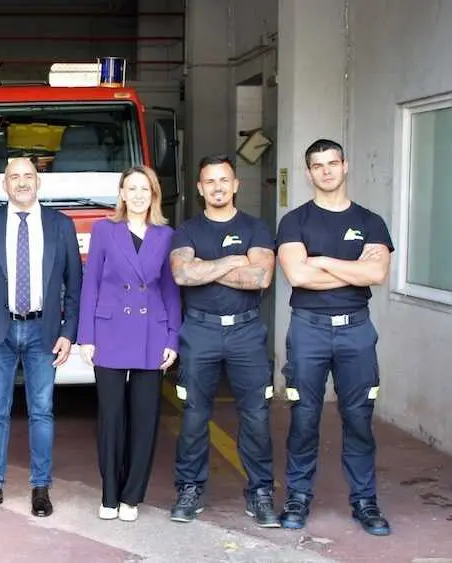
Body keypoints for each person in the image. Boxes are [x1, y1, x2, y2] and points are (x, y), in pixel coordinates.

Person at [276, 139, 393, 536]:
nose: (326, 171)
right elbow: (297, 276)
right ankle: (297, 497)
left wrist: (322, 260)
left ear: (346, 166)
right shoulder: (294, 222)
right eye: (317, 165)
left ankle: (365, 502)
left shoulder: (372, 221)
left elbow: (375, 275)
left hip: (357, 329)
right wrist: (351, 268)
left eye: (332, 163)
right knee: (304, 419)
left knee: (359, 419)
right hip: (308, 327)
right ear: (308, 173)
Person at [0, 157, 83, 518]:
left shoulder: (61, 225)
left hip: (42, 331)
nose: (21, 183)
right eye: (14, 177)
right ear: (4, 184)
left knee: (42, 412)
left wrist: (68, 332)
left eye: (27, 176)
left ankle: (40, 488)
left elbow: (74, 284)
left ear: (38, 182)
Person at [168, 155, 278, 527]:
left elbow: (261, 277)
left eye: (223, 180)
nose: (217, 187)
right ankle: (190, 489)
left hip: (246, 331)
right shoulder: (186, 231)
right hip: (199, 331)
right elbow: (182, 274)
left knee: (257, 416)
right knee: (195, 416)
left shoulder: (256, 227)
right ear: (199, 188)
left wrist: (209, 267)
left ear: (235, 185)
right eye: (209, 181)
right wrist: (234, 261)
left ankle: (260, 492)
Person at [76, 166, 181, 522]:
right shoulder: (104, 230)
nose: (138, 195)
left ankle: (132, 496)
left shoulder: (166, 235)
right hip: (110, 330)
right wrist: (86, 336)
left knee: (145, 418)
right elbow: (89, 284)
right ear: (121, 193)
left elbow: (170, 289)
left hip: (152, 332)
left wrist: (172, 338)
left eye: (145, 189)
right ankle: (109, 494)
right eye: (131, 188)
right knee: (111, 416)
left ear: (154, 195)